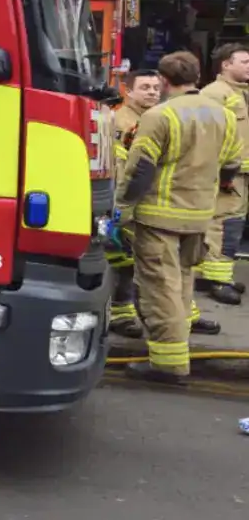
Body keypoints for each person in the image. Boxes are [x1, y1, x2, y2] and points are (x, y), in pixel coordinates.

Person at [116, 51, 240, 384]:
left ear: (164, 80)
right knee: (183, 283)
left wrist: (123, 207)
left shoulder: (159, 116)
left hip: (160, 216)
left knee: (160, 288)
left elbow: (141, 168)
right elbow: (230, 165)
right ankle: (177, 347)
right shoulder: (223, 115)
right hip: (199, 215)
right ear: (198, 75)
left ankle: (168, 364)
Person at [104, 69, 164, 337]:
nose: (152, 92)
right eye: (145, 87)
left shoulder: (156, 118)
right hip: (125, 199)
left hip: (146, 198)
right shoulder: (120, 121)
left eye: (155, 87)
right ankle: (120, 314)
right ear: (128, 91)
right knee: (123, 260)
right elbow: (121, 165)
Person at [196, 42, 249, 305]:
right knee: (222, 225)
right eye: (245, 61)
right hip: (225, 174)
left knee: (233, 223)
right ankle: (217, 280)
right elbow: (205, 136)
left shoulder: (240, 93)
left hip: (241, 173)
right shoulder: (214, 94)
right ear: (226, 65)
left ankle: (218, 274)